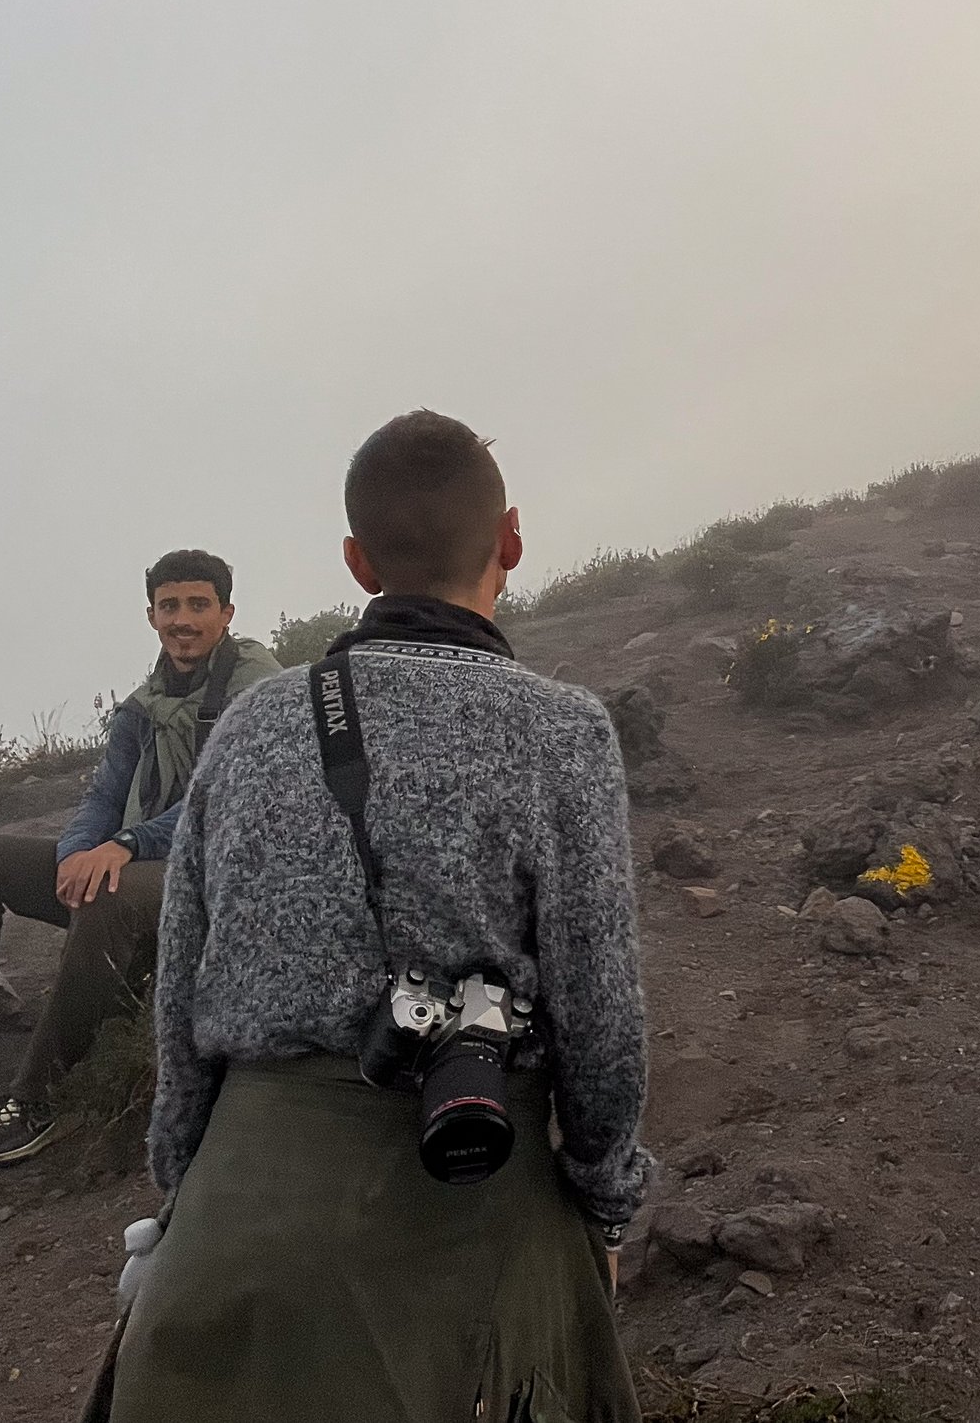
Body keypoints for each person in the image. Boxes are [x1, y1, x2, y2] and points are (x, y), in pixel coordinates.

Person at [96, 410, 646, 1423]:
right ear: (511, 541)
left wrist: (187, 1198)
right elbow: (600, 1020)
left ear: (357, 562)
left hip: (244, 1216)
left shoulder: (256, 725)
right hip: (481, 1201)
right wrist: (603, 1208)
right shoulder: (564, 733)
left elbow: (180, 999)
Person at [0, 552, 279, 1168]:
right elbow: (101, 798)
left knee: (110, 891)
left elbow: (226, 798)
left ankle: (43, 1099)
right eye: (170, 606)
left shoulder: (258, 689)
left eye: (199, 605)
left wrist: (124, 846)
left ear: (227, 613)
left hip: (225, 883)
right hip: (149, 869)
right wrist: (74, 855)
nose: (183, 620)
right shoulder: (142, 706)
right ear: (151, 616)